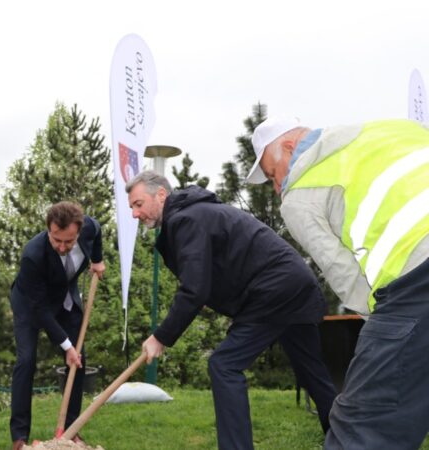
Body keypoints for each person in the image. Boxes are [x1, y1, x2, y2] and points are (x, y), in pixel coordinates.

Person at [248, 116, 429, 449]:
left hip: (417, 276)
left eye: (273, 175)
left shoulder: (299, 195)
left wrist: (384, 329)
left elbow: (344, 275)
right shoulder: (391, 127)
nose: (276, 189)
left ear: (289, 147)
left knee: (361, 430)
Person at [127, 170, 337, 450]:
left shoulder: (186, 220)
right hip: (294, 284)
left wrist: (161, 337)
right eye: (131, 207)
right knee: (312, 372)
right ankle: (350, 442)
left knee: (223, 365)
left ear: (161, 194)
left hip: (274, 289)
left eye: (138, 204)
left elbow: (194, 289)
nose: (134, 214)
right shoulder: (196, 214)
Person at [9, 201, 106, 450]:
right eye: (56, 240)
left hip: (64, 298)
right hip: (31, 306)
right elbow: (40, 310)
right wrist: (66, 346)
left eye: (68, 241)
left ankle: (71, 430)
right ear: (48, 230)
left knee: (79, 359)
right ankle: (20, 437)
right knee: (26, 360)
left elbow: (97, 234)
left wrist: (97, 260)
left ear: (78, 231)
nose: (62, 247)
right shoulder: (33, 255)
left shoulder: (89, 227)